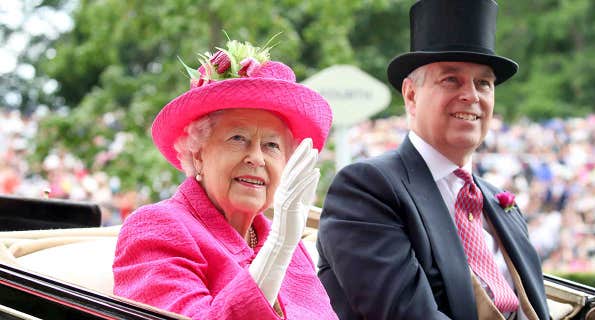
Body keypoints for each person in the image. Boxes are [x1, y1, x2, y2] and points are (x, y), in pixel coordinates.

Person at [316, 1, 550, 319]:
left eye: (484, 83)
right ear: (411, 95)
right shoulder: (367, 189)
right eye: (451, 80)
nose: (472, 95)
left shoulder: (499, 202)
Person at [113, 38, 337, 319]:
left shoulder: (284, 240)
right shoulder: (155, 228)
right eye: (238, 138)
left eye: (271, 145)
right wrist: (277, 250)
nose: (256, 158)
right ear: (197, 154)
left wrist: (281, 244)